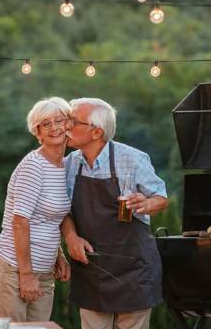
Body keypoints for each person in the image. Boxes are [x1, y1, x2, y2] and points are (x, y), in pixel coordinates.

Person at [61, 97, 168, 329]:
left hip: (133, 268)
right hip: (91, 267)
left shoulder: (133, 158)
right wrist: (71, 237)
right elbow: (64, 211)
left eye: (73, 121)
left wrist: (145, 204)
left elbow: (161, 198)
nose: (66, 126)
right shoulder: (69, 163)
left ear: (96, 132)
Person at [0, 97, 72, 322]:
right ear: (38, 133)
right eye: (46, 124)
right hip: (15, 270)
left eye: (59, 120)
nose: (54, 128)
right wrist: (26, 275)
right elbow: (20, 222)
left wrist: (58, 254)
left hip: (44, 271)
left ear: (69, 124)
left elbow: (50, 218)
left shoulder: (65, 166)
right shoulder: (34, 166)